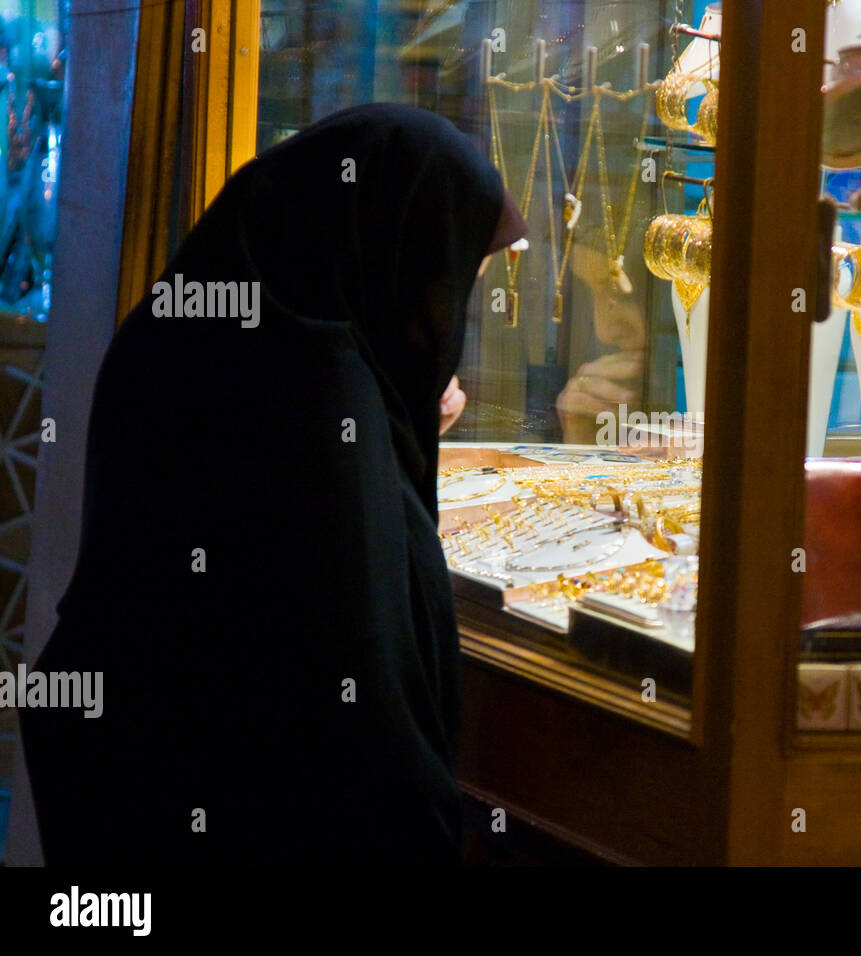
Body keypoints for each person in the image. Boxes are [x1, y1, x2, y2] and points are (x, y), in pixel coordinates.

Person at [20, 103, 525, 864]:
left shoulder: (203, 322)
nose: (447, 329)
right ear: (393, 260)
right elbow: (366, 736)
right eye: (450, 294)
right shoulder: (322, 410)